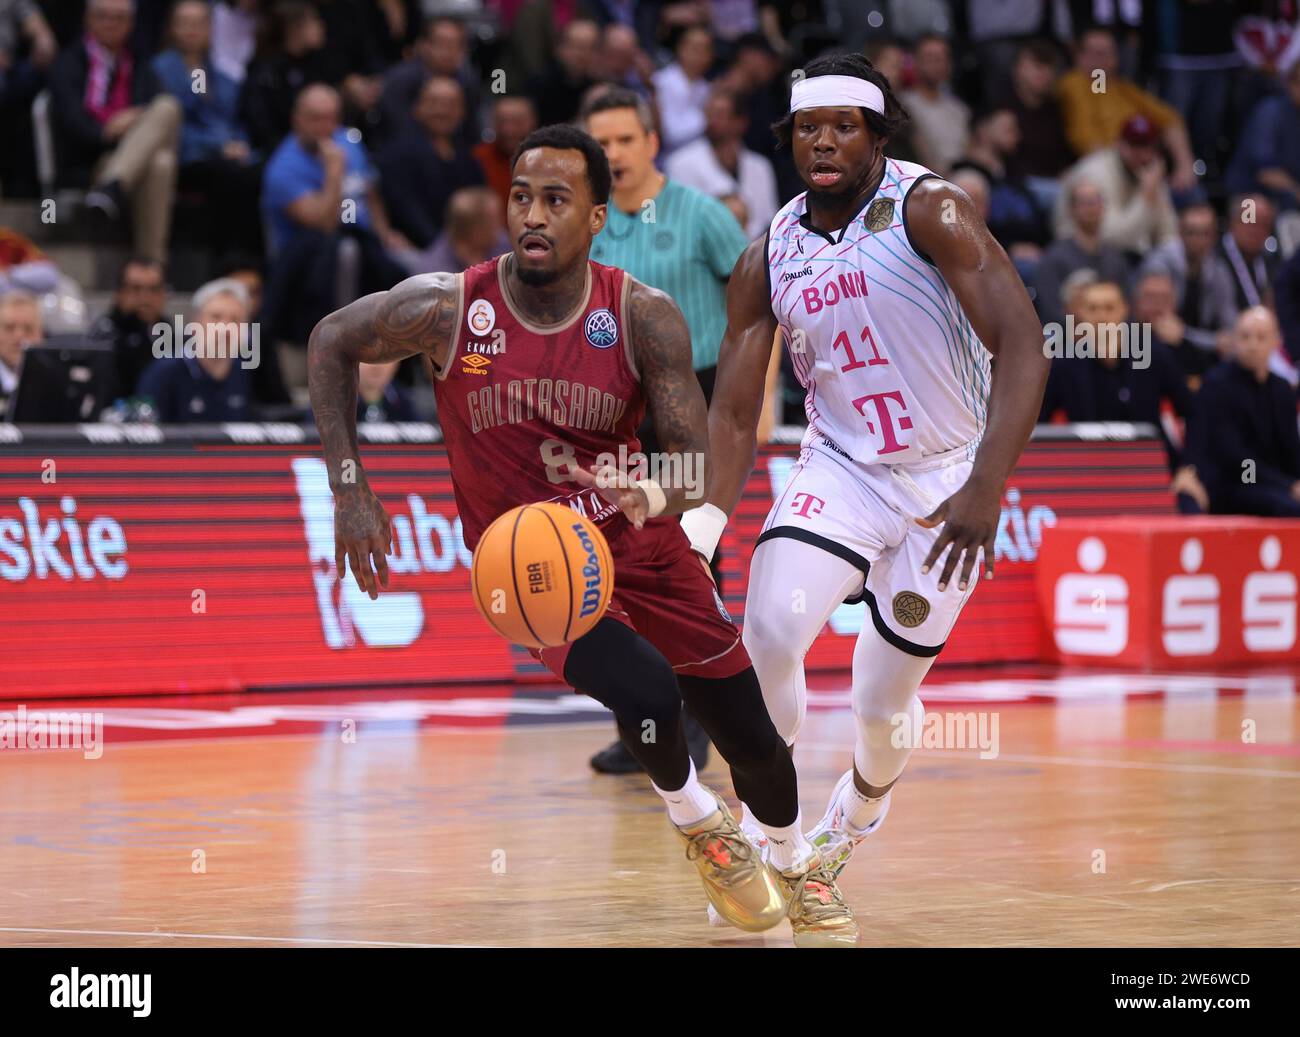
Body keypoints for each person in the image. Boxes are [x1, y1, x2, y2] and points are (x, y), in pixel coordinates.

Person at [307, 123, 857, 946]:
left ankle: (790, 853)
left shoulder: (644, 317)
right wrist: (350, 487)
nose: (532, 214)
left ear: (596, 217)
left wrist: (653, 490)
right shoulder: (449, 306)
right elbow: (330, 341)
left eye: (556, 200)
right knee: (644, 694)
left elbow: (693, 468)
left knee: (757, 743)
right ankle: (701, 822)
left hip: (642, 547)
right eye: (521, 196)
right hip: (539, 570)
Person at [682, 53, 1050, 897]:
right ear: (789, 138)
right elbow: (736, 411)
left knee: (881, 705)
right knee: (768, 631)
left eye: (843, 126)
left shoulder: (932, 210)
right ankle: (769, 834)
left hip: (945, 477)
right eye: (808, 127)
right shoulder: (767, 251)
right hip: (841, 467)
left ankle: (857, 813)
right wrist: (703, 523)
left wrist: (986, 487)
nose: (823, 141)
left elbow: (1025, 344)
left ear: (877, 136)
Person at [582, 86, 750, 775]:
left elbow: (757, 306)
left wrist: (753, 401)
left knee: (690, 556)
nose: (613, 154)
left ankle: (705, 718)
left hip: (697, 405)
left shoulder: (702, 215)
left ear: (652, 143)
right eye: (601, 144)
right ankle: (644, 721)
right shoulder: (588, 227)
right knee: (620, 566)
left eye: (624, 140)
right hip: (619, 413)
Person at [260, 84, 408, 345]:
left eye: (331, 118)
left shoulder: (348, 141)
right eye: (316, 119)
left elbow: (370, 191)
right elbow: (324, 224)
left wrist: (384, 232)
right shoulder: (283, 168)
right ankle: (341, 340)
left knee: (407, 272)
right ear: (297, 120)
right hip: (308, 258)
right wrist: (333, 172)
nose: (325, 127)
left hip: (363, 238)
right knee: (346, 251)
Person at [48, 0, 181, 262]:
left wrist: (133, 119)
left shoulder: (140, 62)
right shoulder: (68, 62)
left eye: (119, 18)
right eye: (103, 16)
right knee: (161, 152)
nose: (111, 24)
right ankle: (151, 265)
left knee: (166, 126)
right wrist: (106, 131)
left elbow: (156, 109)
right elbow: (70, 123)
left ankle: (113, 188)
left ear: (131, 24)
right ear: (88, 20)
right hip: (90, 160)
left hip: (130, 161)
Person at [153, 0, 263, 256]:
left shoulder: (222, 74)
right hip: (185, 154)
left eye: (200, 23)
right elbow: (171, 124)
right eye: (185, 23)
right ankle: (228, 259)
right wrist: (219, 147)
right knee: (231, 176)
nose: (193, 30)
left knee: (259, 172)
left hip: (224, 155)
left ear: (211, 28)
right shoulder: (159, 70)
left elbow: (234, 120)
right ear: (173, 28)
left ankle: (250, 264)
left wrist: (240, 144)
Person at [1055, 26, 1197, 192]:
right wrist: (1129, 158)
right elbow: (1087, 143)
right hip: (1099, 173)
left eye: (1107, 53)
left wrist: (1185, 165)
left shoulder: (1122, 88)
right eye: (1096, 53)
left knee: (1189, 191)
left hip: (1139, 168)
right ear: (1079, 56)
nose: (1102, 61)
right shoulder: (1073, 84)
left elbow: (1170, 120)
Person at [1191, 307, 1300, 517]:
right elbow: (1234, 457)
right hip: (1234, 482)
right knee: (1289, 508)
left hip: (1272, 483)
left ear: (1276, 342)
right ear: (1233, 341)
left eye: (1261, 338)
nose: (1252, 345)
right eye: (1245, 337)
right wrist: (1287, 485)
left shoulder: (1282, 388)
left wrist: (1295, 482)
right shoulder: (1218, 384)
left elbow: (1291, 448)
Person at [378, 76, 484, 251]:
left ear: (462, 112)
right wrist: (448, 250)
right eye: (434, 103)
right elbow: (407, 212)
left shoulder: (468, 157)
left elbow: (480, 204)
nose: (443, 111)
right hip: (417, 249)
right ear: (417, 108)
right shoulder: (397, 153)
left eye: (451, 104)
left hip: (467, 248)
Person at [1053, 114, 1178, 256]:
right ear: (1119, 144)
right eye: (1135, 145)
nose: (1142, 154)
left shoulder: (1149, 171)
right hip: (1076, 253)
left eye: (1147, 146)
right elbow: (1115, 239)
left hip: (1120, 256)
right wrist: (1146, 196)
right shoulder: (1095, 172)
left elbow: (1169, 233)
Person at [665, 86, 779, 239]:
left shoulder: (760, 166)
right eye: (708, 114)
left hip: (758, 255)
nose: (711, 121)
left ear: (741, 122)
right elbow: (681, 225)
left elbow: (771, 222)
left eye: (719, 115)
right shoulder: (679, 163)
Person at [137, 277, 253, 423]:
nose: (225, 328)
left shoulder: (246, 372)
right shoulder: (164, 373)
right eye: (215, 317)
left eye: (235, 320)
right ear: (195, 322)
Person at [1033, 179, 1129, 328]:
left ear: (1103, 207)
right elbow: (1050, 312)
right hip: (1069, 343)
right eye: (1084, 202)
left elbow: (1127, 308)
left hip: (1111, 341)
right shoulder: (1054, 258)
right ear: (1072, 210)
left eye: (1095, 201)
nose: (1091, 207)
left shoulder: (1116, 259)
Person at [88, 256, 167, 398]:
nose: (145, 298)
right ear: (119, 293)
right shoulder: (104, 337)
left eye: (154, 289)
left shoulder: (171, 335)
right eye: (136, 289)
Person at [899, 34, 969, 175]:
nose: (937, 63)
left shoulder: (959, 109)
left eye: (942, 58)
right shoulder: (903, 105)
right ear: (915, 62)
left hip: (963, 176)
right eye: (930, 57)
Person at [651, 24, 714, 154]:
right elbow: (671, 135)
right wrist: (708, 117)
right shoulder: (662, 81)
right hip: (668, 157)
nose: (701, 55)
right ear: (681, 49)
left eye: (706, 50)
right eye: (695, 49)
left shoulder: (706, 87)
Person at [474, 95, 538, 211]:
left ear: (532, 122)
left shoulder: (546, 160)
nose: (508, 130)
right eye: (502, 122)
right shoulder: (477, 157)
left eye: (517, 122)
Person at [0, 289, 43, 418]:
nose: (19, 337)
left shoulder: (55, 382)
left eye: (28, 329)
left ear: (41, 335)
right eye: (9, 327)